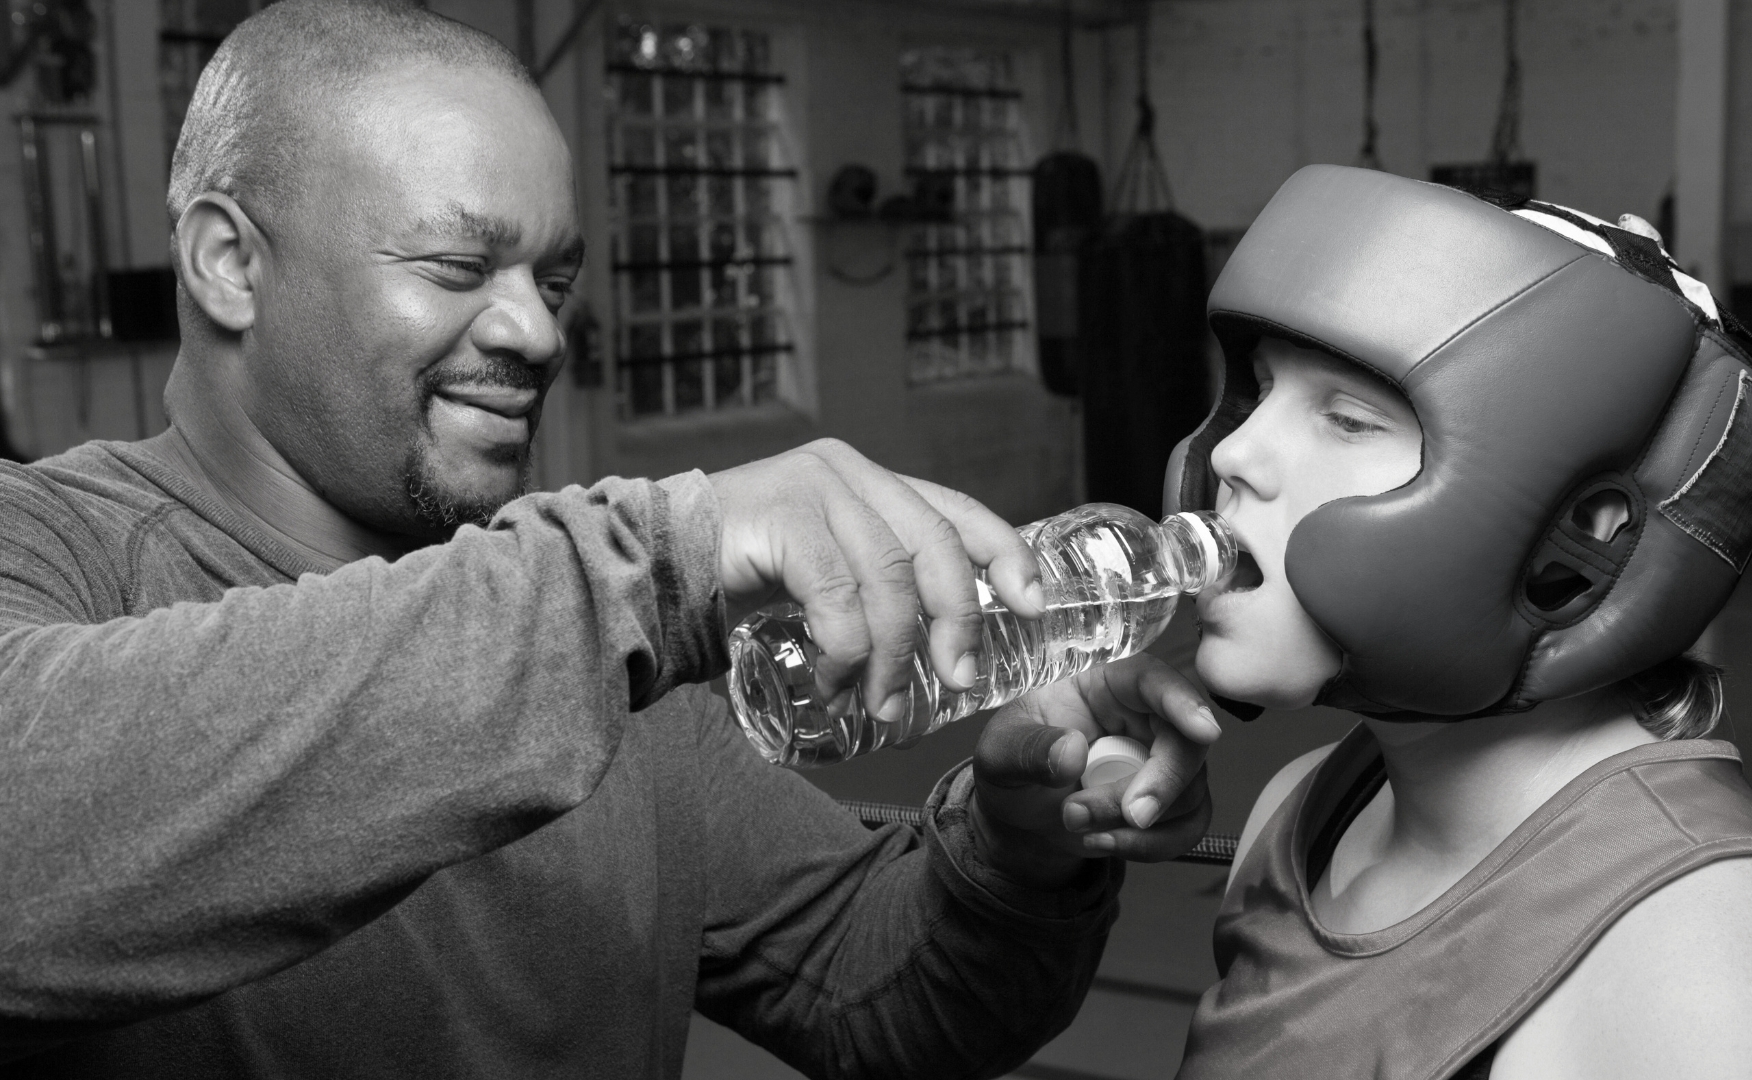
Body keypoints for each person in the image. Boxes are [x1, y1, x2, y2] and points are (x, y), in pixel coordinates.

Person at [0, 2, 1218, 1074]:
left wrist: (1013, 852)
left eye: (556, 279)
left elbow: (874, 997)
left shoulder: (607, 641)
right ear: (229, 262)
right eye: (458, 262)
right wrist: (662, 558)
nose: (535, 332)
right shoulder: (50, 551)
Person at [1165, 166, 1752, 1078]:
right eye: (1260, 391)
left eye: (1348, 420)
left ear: (1578, 535)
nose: (1234, 452)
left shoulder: (1712, 956)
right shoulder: (1301, 806)